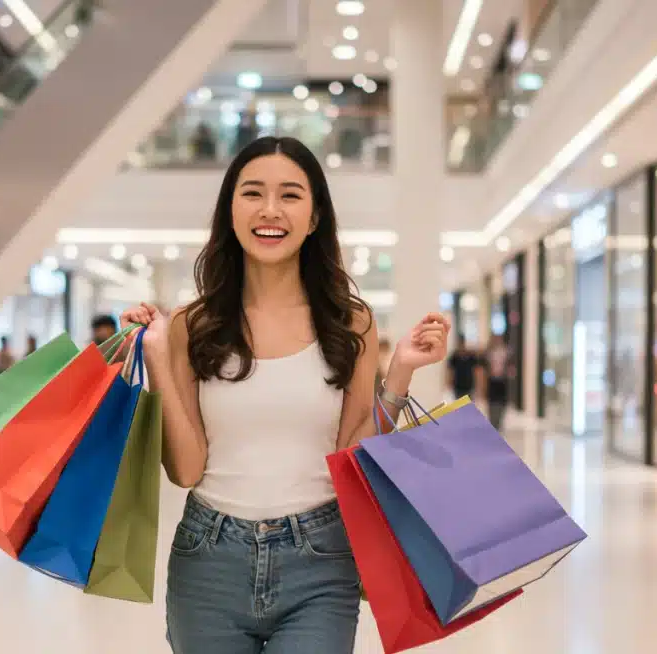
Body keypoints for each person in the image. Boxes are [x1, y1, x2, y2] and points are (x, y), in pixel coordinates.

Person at [120, 136, 449, 653]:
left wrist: (400, 373)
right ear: (230, 210)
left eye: (291, 195)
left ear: (315, 216)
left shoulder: (350, 323)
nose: (270, 210)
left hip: (320, 559)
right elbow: (185, 471)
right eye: (252, 193)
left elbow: (355, 458)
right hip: (209, 560)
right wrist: (159, 359)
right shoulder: (193, 325)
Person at [483, 333, 512, 428]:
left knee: (501, 401)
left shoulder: (507, 352)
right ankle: (493, 421)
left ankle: (499, 421)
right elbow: (484, 367)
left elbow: (511, 366)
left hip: (502, 381)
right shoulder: (489, 353)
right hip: (492, 380)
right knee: (492, 401)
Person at [446, 335, 480, 400]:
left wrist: (478, 385)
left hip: (469, 386)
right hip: (457, 386)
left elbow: (476, 371)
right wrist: (449, 383)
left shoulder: (471, 356)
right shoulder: (454, 357)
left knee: (468, 406)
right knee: (459, 405)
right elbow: (451, 371)